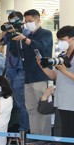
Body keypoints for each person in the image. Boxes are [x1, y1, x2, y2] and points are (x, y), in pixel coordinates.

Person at [12, 9, 53, 138]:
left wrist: (25, 39)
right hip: (28, 77)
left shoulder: (46, 33)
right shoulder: (27, 36)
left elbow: (41, 47)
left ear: (38, 19)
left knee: (43, 108)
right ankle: (35, 135)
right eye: (26, 21)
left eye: (30, 21)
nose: (27, 24)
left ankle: (44, 137)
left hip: (41, 76)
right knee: (31, 109)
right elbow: (19, 54)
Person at [0, 11, 28, 132]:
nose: (12, 24)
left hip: (21, 69)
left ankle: (24, 127)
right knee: (12, 100)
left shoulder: (25, 33)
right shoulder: (9, 34)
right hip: (10, 69)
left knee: (21, 101)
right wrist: (5, 31)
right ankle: (14, 124)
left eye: (14, 21)